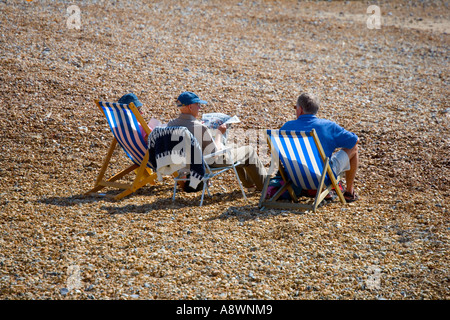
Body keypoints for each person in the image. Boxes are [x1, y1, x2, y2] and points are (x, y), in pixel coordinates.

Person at [167, 91, 267, 191]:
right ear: (190, 107)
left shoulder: (171, 125)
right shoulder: (199, 127)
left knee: (234, 146)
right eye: (198, 105)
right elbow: (215, 153)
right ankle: (265, 186)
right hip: (209, 162)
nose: (199, 108)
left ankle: (250, 185)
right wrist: (219, 133)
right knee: (249, 151)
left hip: (187, 163)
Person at [281, 93, 359, 202]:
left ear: (301, 110)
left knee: (310, 158)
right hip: (321, 178)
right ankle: (349, 192)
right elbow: (354, 141)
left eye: (296, 108)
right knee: (354, 148)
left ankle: (324, 192)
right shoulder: (327, 126)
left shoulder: (286, 127)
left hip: (295, 177)